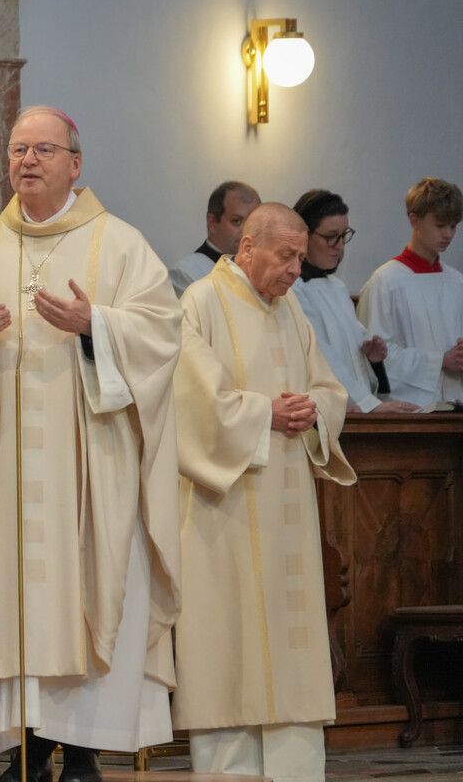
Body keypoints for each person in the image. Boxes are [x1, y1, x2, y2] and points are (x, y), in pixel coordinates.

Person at [0, 106, 182, 782]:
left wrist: (98, 326)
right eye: (17, 149)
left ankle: (84, 750)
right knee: (17, 595)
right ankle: (26, 749)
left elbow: (163, 334)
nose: (27, 161)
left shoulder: (120, 245)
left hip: (89, 470)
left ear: (75, 163)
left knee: (89, 585)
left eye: (43, 150)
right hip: (3, 471)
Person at [172, 202, 356, 781]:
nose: (296, 270)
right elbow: (189, 400)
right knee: (229, 652)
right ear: (247, 247)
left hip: (287, 509)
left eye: (300, 258)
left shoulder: (290, 309)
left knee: (289, 651)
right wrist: (263, 415)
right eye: (287, 256)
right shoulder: (200, 302)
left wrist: (314, 411)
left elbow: (329, 387)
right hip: (221, 505)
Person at [289, 190, 419, 413]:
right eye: (331, 236)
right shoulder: (293, 291)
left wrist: (372, 357)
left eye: (344, 235)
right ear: (304, 236)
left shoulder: (337, 288)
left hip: (356, 410)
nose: (339, 246)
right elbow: (322, 356)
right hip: (328, 412)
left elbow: (354, 348)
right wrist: (370, 405)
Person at [357, 178, 463, 407]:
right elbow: (373, 358)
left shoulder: (457, 282)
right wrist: (439, 361)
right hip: (410, 410)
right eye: (440, 225)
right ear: (414, 219)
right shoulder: (385, 282)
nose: (448, 234)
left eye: (453, 226)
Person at [169, 181, 260, 295]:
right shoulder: (186, 273)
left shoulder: (265, 270)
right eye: (236, 221)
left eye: (253, 222)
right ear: (212, 223)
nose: (247, 231)